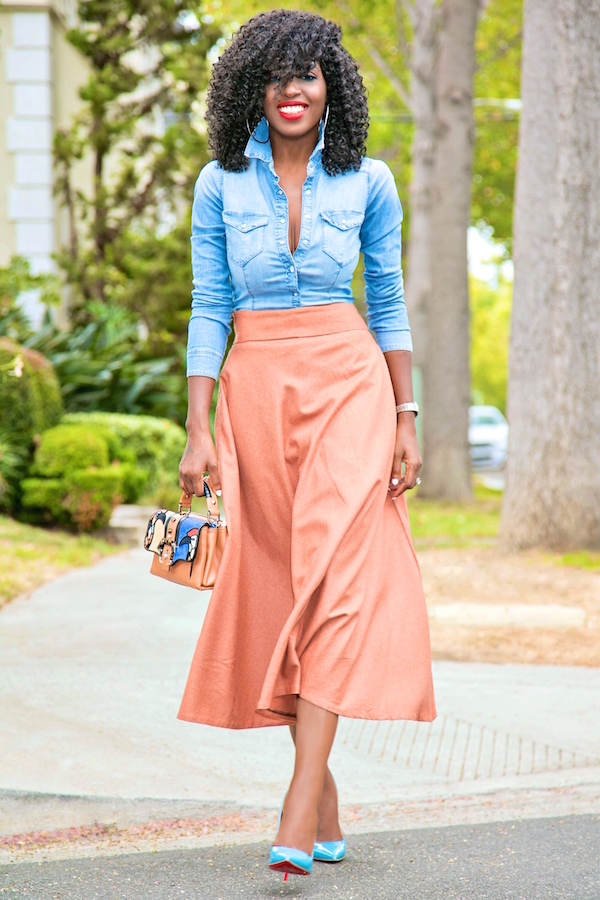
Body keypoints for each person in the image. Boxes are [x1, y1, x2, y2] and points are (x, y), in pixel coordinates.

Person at [177, 8, 436, 879]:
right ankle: (324, 798)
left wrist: (407, 416)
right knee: (280, 587)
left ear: (332, 89)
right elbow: (209, 307)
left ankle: (294, 808)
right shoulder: (220, 182)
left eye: (310, 75)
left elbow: (389, 303)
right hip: (254, 396)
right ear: (254, 88)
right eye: (278, 75)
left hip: (349, 388)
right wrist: (197, 430)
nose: (293, 90)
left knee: (334, 583)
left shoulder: (370, 181)